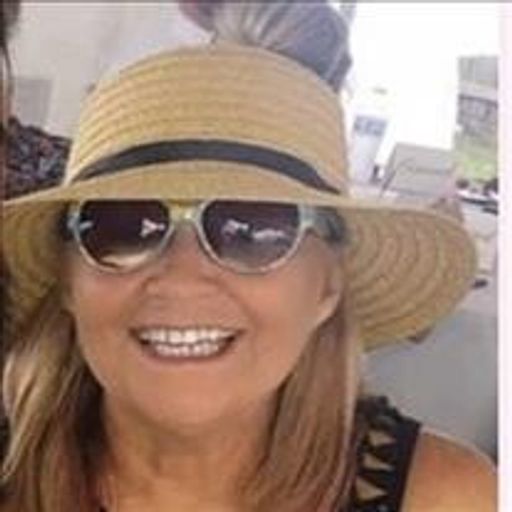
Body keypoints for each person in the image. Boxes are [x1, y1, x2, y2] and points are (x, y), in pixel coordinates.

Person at [1, 2, 496, 511]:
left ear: (327, 284)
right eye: (123, 228)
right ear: (68, 278)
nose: (182, 277)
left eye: (253, 229)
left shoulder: (445, 496)